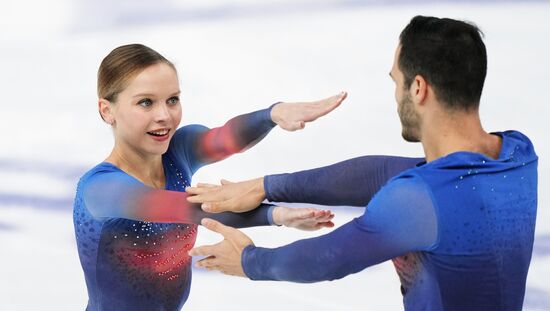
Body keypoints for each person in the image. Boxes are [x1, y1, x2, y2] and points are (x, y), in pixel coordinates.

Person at [187, 16, 539, 311]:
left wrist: (249, 261)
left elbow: (328, 258)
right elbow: (377, 172)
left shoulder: (420, 198)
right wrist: (266, 185)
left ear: (418, 88)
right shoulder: (517, 153)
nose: (396, 93)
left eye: (396, 81)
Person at [73, 43, 349, 311]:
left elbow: (224, 138)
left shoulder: (178, 151)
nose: (164, 116)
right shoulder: (101, 187)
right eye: (146, 102)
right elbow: (188, 210)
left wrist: (272, 114)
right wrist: (276, 216)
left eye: (173, 100)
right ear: (107, 110)